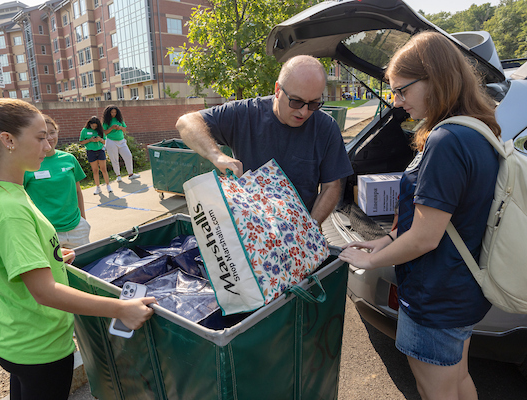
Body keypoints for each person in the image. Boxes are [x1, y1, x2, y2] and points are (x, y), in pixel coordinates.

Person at [0, 99, 156, 400]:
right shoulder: (9, 208)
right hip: (39, 346)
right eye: (40, 137)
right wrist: (121, 309)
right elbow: (45, 292)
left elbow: (8, 257)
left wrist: (48, 255)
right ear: (8, 140)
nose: (48, 143)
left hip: (12, 334)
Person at [338, 31, 500, 400]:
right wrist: (386, 238)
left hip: (435, 298)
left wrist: (371, 258)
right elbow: (445, 221)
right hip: (460, 291)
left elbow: (426, 237)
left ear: (435, 79)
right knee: (458, 378)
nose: (396, 102)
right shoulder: (476, 129)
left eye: (402, 90)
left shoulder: (446, 141)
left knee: (435, 389)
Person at [175, 55, 353, 226]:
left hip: (297, 233)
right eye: (296, 102)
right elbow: (186, 123)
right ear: (277, 90)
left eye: (314, 103)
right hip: (249, 231)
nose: (304, 112)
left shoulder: (326, 127)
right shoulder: (244, 114)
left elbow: (331, 186)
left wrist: (310, 228)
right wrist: (216, 156)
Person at [24, 115, 90, 248]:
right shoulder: (28, 165)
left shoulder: (69, 159)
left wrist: (83, 220)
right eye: (43, 135)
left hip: (77, 228)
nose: (49, 138)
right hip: (47, 231)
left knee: (84, 266)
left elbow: (78, 191)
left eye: (52, 132)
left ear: (57, 131)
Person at [102, 105, 140, 182]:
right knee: (114, 159)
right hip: (111, 141)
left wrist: (120, 127)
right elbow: (104, 132)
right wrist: (112, 128)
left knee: (128, 155)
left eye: (115, 112)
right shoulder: (106, 121)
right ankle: (118, 175)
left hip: (121, 140)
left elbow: (124, 129)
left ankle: (131, 174)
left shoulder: (120, 119)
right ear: (108, 113)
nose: (113, 114)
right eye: (112, 112)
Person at [80, 116, 112, 195]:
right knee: (95, 170)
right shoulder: (84, 130)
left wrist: (100, 139)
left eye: (95, 126)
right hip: (91, 151)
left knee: (103, 169)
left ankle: (108, 185)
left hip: (100, 150)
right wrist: (90, 140)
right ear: (89, 124)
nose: (94, 127)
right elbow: (81, 141)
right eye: (92, 126)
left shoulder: (100, 130)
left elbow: (105, 142)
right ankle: (98, 187)